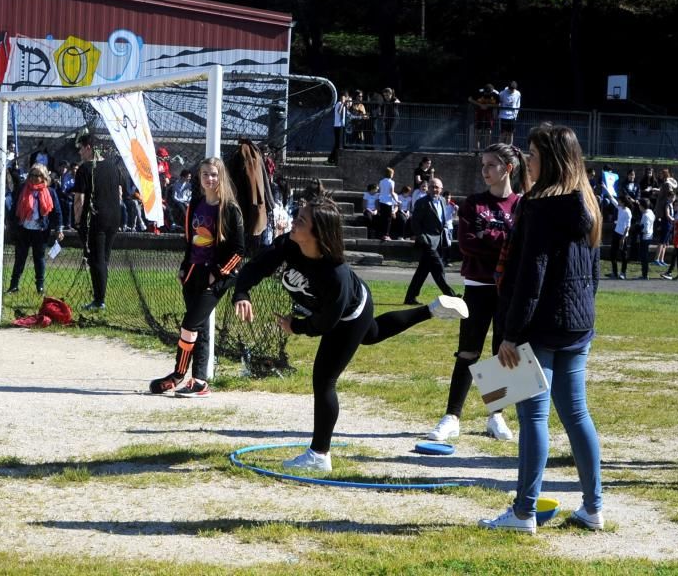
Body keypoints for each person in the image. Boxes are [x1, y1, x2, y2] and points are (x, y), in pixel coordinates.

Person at [233, 195, 469, 471]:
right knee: (373, 334)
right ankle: (431, 309)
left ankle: (319, 455)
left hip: (349, 314)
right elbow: (258, 266)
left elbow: (325, 323)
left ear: (318, 232)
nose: (294, 222)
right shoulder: (289, 245)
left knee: (324, 379)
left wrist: (295, 326)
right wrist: (242, 292)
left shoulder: (336, 274)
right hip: (339, 309)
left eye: (301, 220)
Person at [479, 124, 603, 534]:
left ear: (549, 159)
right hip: (577, 325)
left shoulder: (540, 206)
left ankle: (523, 512)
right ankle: (593, 508)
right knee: (577, 414)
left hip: (540, 326)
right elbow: (594, 273)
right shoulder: (588, 201)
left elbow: (532, 275)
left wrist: (510, 334)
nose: (527, 161)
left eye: (532, 155)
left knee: (534, 417)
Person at [427, 143, 531, 444]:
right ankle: (452, 417)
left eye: (491, 165)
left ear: (508, 168)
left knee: (504, 353)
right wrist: (503, 241)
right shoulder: (473, 203)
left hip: (509, 291)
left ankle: (495, 415)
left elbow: (522, 247)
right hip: (476, 288)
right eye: (483, 165)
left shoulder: (522, 205)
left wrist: (491, 238)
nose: (484, 170)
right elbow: (467, 243)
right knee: (468, 352)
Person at [149, 158, 245, 398]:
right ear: (199, 178)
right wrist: (183, 267)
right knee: (198, 328)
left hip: (215, 277)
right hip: (192, 273)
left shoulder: (229, 209)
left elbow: (239, 250)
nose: (209, 179)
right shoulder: (196, 203)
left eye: (213, 174)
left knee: (189, 325)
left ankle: (178, 374)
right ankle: (199, 381)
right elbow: (190, 241)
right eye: (205, 174)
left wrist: (218, 273)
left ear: (220, 176)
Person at [73, 134, 123, 311]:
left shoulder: (85, 169)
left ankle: (99, 300)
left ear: (88, 148)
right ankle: (99, 295)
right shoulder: (113, 167)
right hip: (114, 217)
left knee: (96, 259)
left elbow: (79, 198)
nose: (79, 152)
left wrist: (78, 221)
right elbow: (119, 193)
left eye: (80, 148)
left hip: (97, 218)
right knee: (104, 258)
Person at [6, 163, 64, 296]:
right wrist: (11, 225)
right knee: (20, 258)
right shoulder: (22, 188)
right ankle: (14, 285)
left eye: (37, 175)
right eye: (32, 175)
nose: (34, 178)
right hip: (24, 229)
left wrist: (59, 228)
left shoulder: (50, 192)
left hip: (41, 230)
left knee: (39, 258)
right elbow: (14, 208)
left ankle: (40, 287)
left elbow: (57, 212)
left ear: (44, 177)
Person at [404, 177, 458, 304]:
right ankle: (451, 296)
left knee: (422, 272)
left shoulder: (444, 201)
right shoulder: (422, 202)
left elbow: (442, 221)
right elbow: (415, 222)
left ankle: (410, 298)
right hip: (427, 242)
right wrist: (422, 238)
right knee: (439, 267)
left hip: (438, 242)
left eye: (437, 187)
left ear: (441, 189)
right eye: (432, 187)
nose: (435, 189)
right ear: (428, 188)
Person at [468, 84, 499, 150]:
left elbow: (498, 104)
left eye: (489, 93)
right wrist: (480, 105)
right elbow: (470, 99)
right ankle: (477, 150)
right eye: (486, 93)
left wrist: (488, 105)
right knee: (478, 131)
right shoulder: (479, 92)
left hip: (489, 115)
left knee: (488, 131)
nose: (487, 94)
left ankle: (487, 149)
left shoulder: (496, 94)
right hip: (479, 114)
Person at [608, 195, 632, 279]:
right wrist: (605, 188)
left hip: (623, 235)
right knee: (612, 254)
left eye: (619, 200)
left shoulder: (628, 212)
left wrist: (623, 238)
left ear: (623, 202)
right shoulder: (620, 208)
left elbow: (628, 226)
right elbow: (612, 200)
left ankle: (623, 273)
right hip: (616, 233)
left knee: (624, 255)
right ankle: (614, 272)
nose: (618, 202)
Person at [376, 168, 399, 241]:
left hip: (381, 201)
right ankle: (386, 235)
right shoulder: (391, 182)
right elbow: (392, 193)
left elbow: (381, 191)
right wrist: (397, 201)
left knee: (383, 218)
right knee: (388, 220)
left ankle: (382, 234)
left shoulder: (381, 181)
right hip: (388, 202)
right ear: (391, 174)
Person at [328, 90, 350, 165]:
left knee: (340, 143)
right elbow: (339, 112)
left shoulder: (344, 105)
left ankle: (335, 158)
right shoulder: (339, 103)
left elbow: (348, 115)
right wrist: (343, 103)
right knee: (338, 143)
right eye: (346, 97)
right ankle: (332, 158)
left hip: (342, 126)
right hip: (338, 126)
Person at [636, 197, 655, 280]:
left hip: (645, 238)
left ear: (642, 206)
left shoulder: (646, 215)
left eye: (640, 205)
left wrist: (639, 228)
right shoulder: (650, 212)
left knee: (644, 257)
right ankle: (644, 274)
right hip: (649, 236)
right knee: (644, 256)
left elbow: (646, 229)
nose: (639, 207)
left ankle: (645, 274)